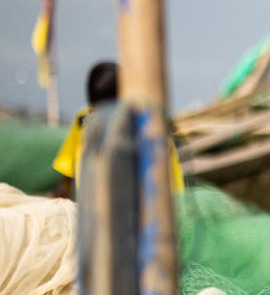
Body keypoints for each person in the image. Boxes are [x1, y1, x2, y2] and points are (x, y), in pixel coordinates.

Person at [53, 61, 185, 198]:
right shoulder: (83, 122)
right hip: (92, 206)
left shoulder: (148, 126)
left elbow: (170, 181)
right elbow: (67, 173)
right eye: (96, 110)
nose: (102, 118)